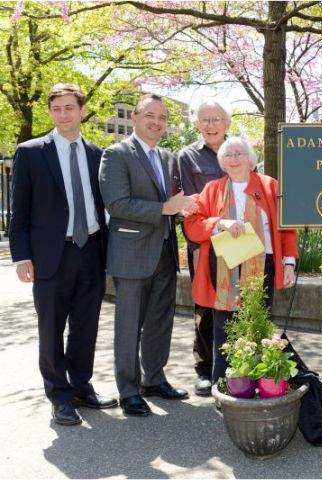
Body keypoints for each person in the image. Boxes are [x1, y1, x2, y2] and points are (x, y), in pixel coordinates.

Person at [8, 83, 117, 426]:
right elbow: (19, 210)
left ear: (82, 110)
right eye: (57, 109)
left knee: (86, 327)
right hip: (50, 256)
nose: (63, 114)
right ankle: (59, 394)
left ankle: (82, 386)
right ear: (51, 112)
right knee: (51, 327)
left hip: (92, 251)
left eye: (70, 108)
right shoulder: (30, 152)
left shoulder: (98, 154)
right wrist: (21, 257)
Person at [99, 93, 197, 416]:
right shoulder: (116, 155)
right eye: (150, 115)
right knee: (129, 326)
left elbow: (175, 201)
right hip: (131, 254)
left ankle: (154, 378)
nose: (157, 122)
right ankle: (128, 390)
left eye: (163, 118)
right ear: (135, 117)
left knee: (160, 321)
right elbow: (117, 204)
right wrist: (164, 208)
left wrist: (186, 208)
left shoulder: (169, 158)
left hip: (166, 253)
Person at [183, 136, 298, 383]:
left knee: (257, 325)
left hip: (262, 267)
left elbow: (287, 228)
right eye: (228, 155)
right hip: (223, 267)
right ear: (222, 162)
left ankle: (257, 384)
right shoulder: (212, 189)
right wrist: (218, 223)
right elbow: (192, 226)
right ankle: (223, 386)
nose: (234, 159)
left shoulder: (270, 186)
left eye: (239, 154)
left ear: (251, 159)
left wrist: (289, 263)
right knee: (224, 331)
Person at [178, 99, 231, 396]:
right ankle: (204, 369)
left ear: (227, 124)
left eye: (217, 120)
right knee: (206, 307)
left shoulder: (239, 151)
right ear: (197, 124)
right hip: (205, 242)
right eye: (205, 120)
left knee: (236, 302)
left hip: (239, 240)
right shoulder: (187, 157)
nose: (211, 125)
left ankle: (232, 364)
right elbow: (190, 204)